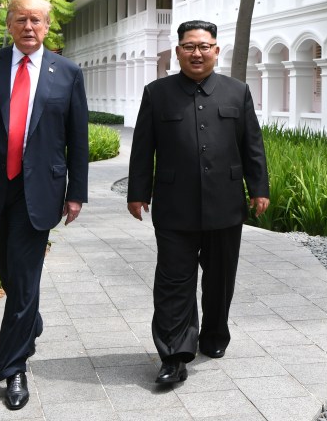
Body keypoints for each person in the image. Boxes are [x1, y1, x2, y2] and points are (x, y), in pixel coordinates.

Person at [0, 0, 88, 410]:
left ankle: (13, 368)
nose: (29, 27)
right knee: (8, 269)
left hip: (41, 189)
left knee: (25, 276)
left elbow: (76, 137)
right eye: (21, 19)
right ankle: (30, 320)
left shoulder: (66, 72)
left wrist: (76, 192)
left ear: (48, 27)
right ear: (9, 24)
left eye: (37, 21)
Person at [127, 20, 270, 385]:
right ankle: (175, 355)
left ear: (216, 51)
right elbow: (144, 147)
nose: (196, 52)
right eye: (189, 46)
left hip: (225, 204)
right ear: (177, 52)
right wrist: (138, 192)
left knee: (221, 278)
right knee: (174, 282)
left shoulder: (237, 92)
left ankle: (214, 334)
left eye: (204, 46)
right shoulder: (157, 93)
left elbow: (252, 145)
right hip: (175, 206)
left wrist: (259, 188)